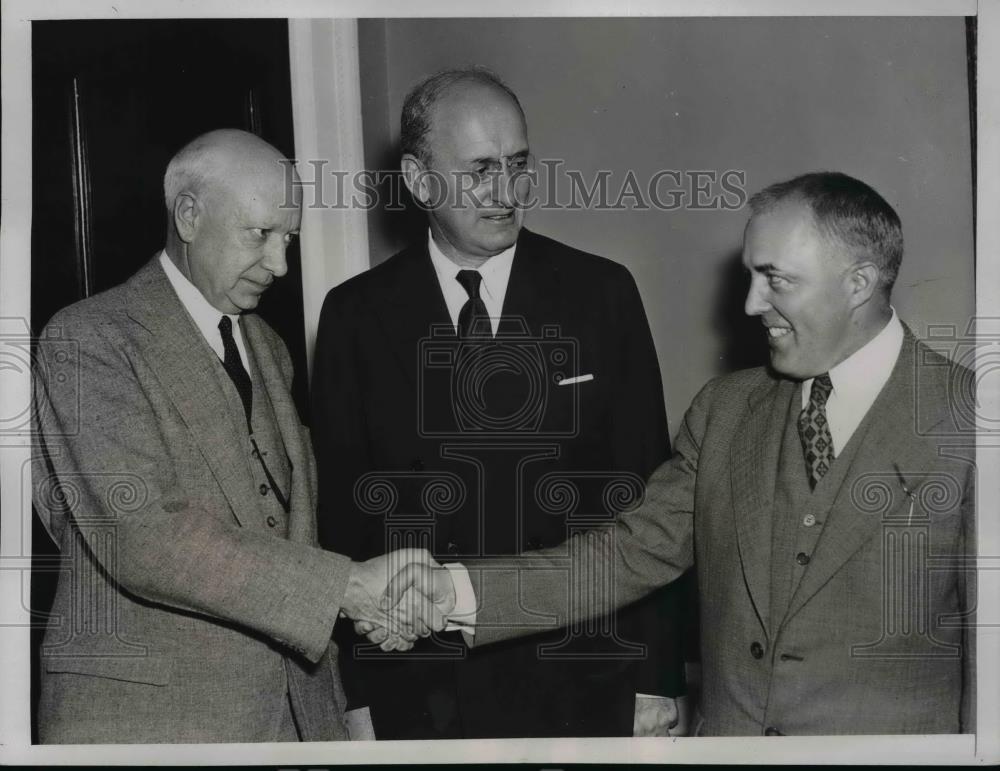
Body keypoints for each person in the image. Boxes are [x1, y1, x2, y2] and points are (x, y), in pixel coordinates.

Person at [385, 171, 977, 735]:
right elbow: (625, 554)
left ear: (859, 282)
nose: (750, 303)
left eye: (777, 279)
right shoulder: (725, 411)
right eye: (751, 275)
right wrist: (459, 592)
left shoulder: (973, 426)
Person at [310, 68, 689, 739]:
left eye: (518, 165)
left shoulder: (600, 294)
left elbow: (648, 502)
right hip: (418, 688)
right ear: (420, 181)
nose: (507, 192)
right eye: (481, 169)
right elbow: (343, 518)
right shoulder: (354, 316)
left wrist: (654, 681)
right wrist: (356, 695)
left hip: (579, 675)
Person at [31, 129, 435, 744]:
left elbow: (289, 526)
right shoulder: (89, 340)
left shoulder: (268, 348)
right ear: (189, 216)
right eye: (261, 235)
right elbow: (148, 539)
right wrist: (351, 589)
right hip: (150, 731)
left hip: (293, 722)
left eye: (289, 239)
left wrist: (376, 603)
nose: (281, 264)